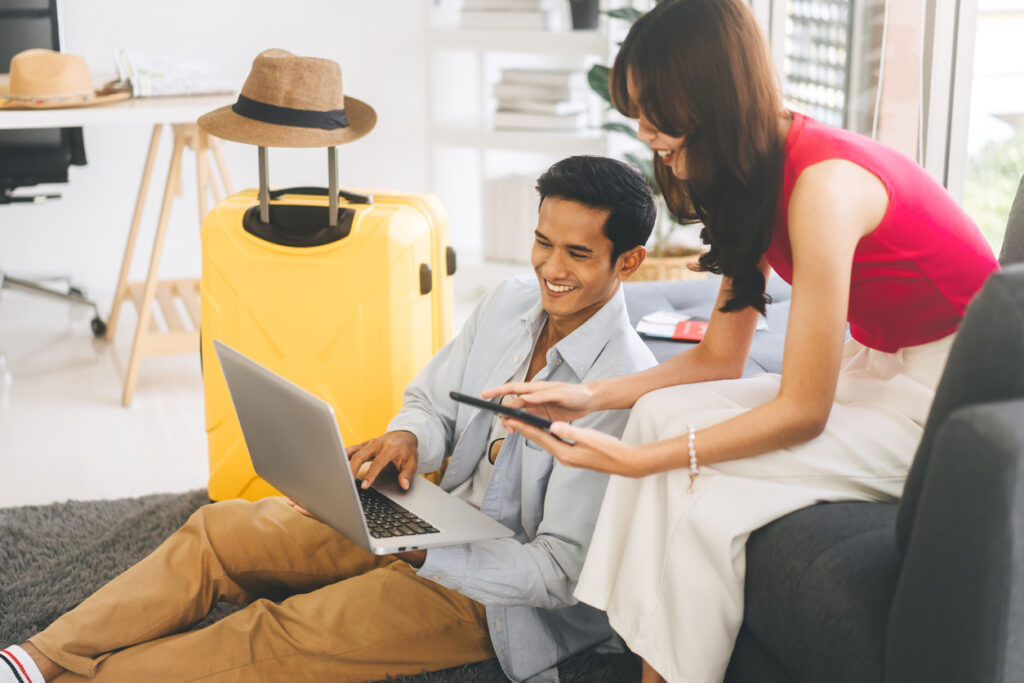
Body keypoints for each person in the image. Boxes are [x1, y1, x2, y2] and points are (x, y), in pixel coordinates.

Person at [482, 1, 1000, 682]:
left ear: (706, 96)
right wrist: (587, 394)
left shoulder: (822, 186)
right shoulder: (752, 169)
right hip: (878, 358)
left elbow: (803, 409)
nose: (643, 132)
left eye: (653, 110)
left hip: (952, 396)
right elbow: (719, 355)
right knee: (656, 415)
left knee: (705, 498)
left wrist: (638, 464)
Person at [0, 155, 657, 683]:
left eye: (576, 253)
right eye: (543, 242)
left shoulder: (623, 392)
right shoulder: (512, 301)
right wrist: (407, 437)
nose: (550, 266)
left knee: (278, 635)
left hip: (492, 597)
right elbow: (432, 404)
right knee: (216, 531)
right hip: (425, 512)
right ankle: (35, 658)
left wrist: (427, 549)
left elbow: (554, 574)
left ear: (629, 261)